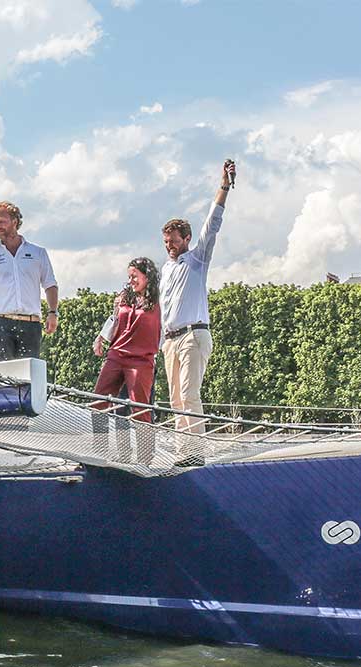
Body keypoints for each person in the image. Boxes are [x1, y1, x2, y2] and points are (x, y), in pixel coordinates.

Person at [159, 159, 235, 455]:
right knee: (175, 399)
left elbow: (212, 224)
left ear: (186, 239)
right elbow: (164, 309)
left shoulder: (197, 259)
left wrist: (224, 186)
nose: (169, 246)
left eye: (174, 241)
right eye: (166, 242)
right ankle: (183, 451)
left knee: (189, 395)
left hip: (193, 335)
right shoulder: (166, 270)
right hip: (171, 340)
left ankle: (194, 452)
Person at [0, 202, 58, 360]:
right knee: (2, 376)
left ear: (15, 221)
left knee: (28, 378)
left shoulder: (37, 253)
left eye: (2, 222)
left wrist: (53, 313)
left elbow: (50, 285)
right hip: (0, 323)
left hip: (31, 323)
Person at [92, 257, 161, 423]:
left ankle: (145, 450)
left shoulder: (159, 301)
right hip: (116, 355)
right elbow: (114, 319)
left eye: (135, 276)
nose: (131, 281)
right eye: (129, 277)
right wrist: (101, 337)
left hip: (141, 360)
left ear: (147, 276)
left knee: (140, 409)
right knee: (98, 402)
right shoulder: (124, 297)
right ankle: (99, 448)